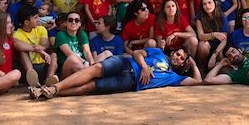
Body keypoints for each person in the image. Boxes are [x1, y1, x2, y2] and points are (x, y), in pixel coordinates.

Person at [30, 46, 201, 99]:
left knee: (89, 87)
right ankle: (53, 88)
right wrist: (144, 67)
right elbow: (137, 53)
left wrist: (192, 63)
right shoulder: (158, 53)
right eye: (178, 54)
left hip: (129, 83)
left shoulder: (174, 77)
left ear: (183, 63)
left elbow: (198, 82)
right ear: (172, 53)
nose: (178, 57)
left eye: (182, 58)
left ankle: (47, 91)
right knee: (95, 69)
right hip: (125, 62)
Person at [13, 4, 59, 88]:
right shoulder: (17, 34)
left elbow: (45, 45)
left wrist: (41, 50)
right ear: (26, 22)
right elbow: (18, 45)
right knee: (23, 52)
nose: (38, 20)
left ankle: (48, 80)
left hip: (43, 66)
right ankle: (33, 80)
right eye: (35, 18)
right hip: (27, 69)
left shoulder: (41, 29)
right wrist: (39, 50)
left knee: (54, 55)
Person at [55, 11, 94, 79]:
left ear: (79, 24)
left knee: (106, 53)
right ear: (66, 23)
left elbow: (87, 52)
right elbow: (69, 53)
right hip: (67, 68)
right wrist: (85, 63)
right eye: (70, 20)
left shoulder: (83, 34)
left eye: (76, 20)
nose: (73, 22)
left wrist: (92, 64)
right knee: (72, 58)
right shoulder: (60, 35)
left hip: (83, 65)